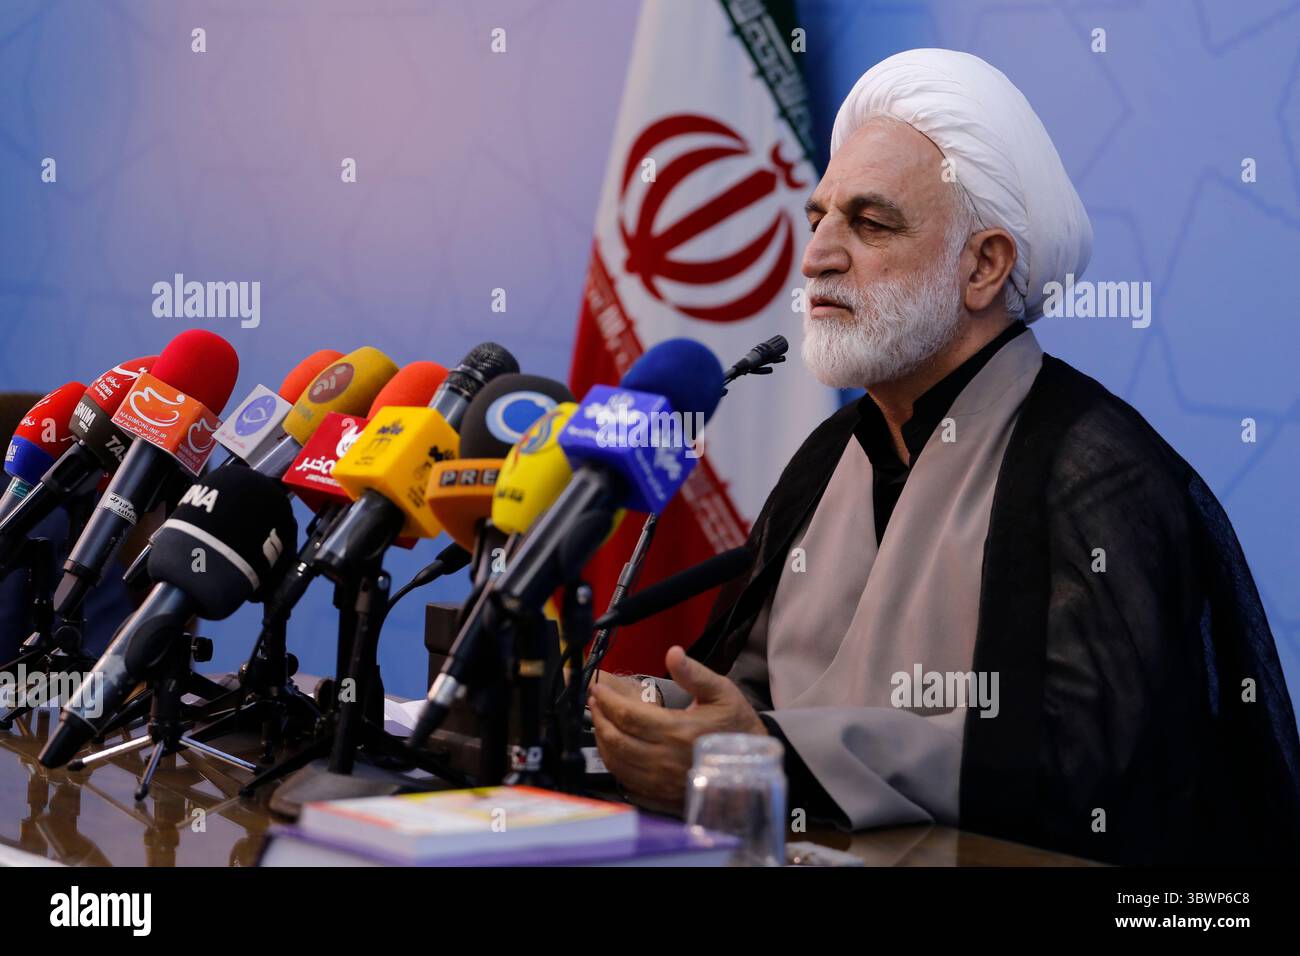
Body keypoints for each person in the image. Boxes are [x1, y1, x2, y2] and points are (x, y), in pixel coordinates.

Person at [588, 48, 1300, 865]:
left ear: (984, 265)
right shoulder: (828, 457)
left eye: (869, 222)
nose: (816, 254)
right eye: (818, 217)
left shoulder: (1094, 470)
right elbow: (750, 698)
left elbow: (1086, 772)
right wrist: (643, 711)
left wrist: (773, 755)